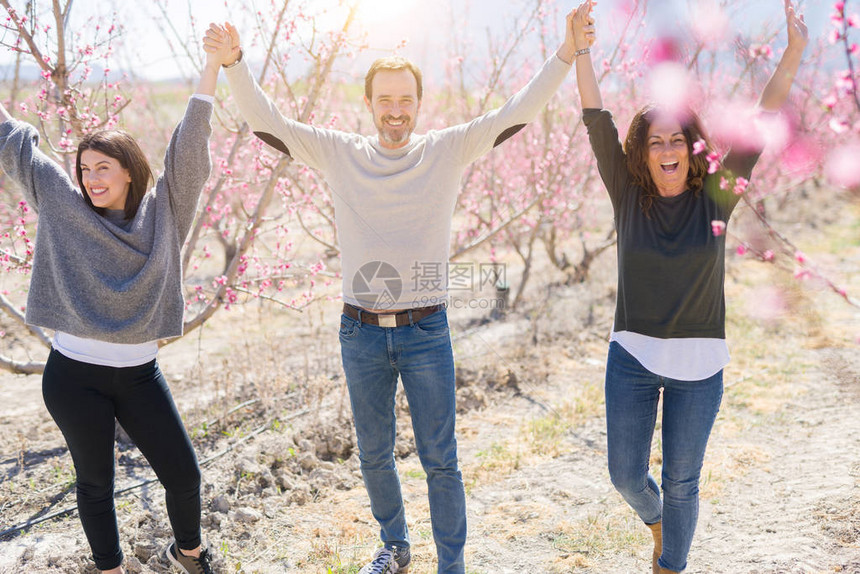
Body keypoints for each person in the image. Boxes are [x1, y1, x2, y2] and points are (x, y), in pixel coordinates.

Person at [203, 8, 593, 573]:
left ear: (418, 102)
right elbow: (272, 126)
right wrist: (236, 64)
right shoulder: (340, 152)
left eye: (405, 99)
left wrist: (564, 53)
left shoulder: (446, 149)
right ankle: (395, 546)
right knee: (374, 455)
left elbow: (517, 113)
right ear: (369, 104)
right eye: (385, 100)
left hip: (426, 331)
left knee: (441, 459)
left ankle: (451, 564)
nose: (395, 111)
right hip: (359, 332)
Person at [571, 1, 807, 572]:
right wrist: (580, 49)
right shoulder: (627, 196)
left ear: (692, 148)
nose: (668, 151)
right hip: (632, 355)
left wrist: (794, 52)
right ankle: (657, 523)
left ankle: (669, 563)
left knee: (683, 481)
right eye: (656, 143)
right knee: (625, 474)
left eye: (677, 140)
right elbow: (595, 114)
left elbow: (761, 115)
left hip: (700, 366)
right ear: (641, 153)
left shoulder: (716, 195)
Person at [0, 25, 233, 574]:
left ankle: (189, 554)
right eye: (84, 169)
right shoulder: (64, 205)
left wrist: (213, 67)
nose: (91, 178)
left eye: (103, 167)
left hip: (138, 375)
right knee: (95, 482)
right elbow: (14, 144)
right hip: (73, 374)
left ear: (130, 171)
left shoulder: (164, 212)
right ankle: (110, 568)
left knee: (183, 474)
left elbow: (192, 146)